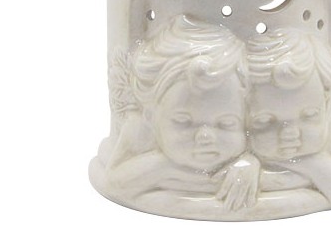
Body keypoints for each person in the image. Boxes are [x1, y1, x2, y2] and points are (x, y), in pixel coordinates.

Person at [108, 15, 259, 213]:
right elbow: (116, 182)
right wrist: (164, 167)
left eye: (226, 123)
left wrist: (250, 164)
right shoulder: (139, 128)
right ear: (151, 116)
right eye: (183, 122)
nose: (205, 136)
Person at [246, 28, 331, 209]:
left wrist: (309, 162)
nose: (289, 133)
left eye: (309, 116)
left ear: (328, 104)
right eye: (266, 121)